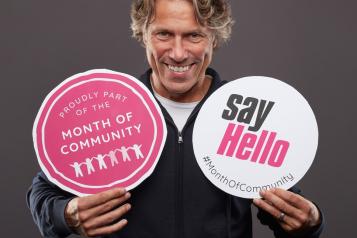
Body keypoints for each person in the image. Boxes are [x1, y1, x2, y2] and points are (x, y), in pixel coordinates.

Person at [27, 0, 324, 237]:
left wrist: (309, 222)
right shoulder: (111, 109)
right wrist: (67, 215)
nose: (178, 53)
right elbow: (44, 189)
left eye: (194, 35)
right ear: (143, 34)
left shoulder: (242, 111)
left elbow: (287, 207)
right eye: (164, 34)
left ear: (214, 39)